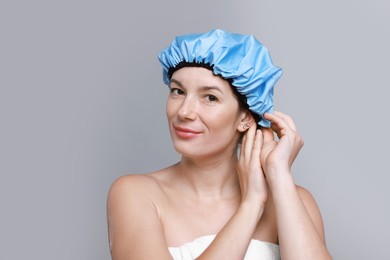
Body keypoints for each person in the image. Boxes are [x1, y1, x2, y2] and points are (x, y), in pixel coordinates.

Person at [107, 29, 332, 259]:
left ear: (245, 117)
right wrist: (251, 205)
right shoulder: (136, 194)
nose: (184, 111)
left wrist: (279, 176)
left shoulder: (294, 200)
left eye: (210, 97)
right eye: (178, 91)